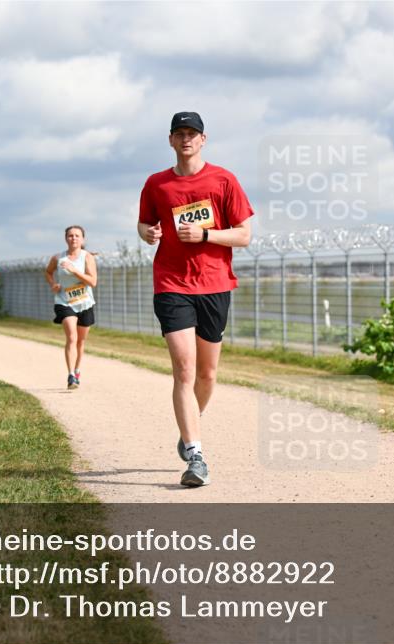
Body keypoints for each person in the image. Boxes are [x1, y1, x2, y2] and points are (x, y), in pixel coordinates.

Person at [137, 111, 253, 487]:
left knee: (207, 375)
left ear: (203, 140)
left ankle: (189, 427)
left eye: (193, 133)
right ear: (170, 140)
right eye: (179, 133)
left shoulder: (223, 180)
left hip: (215, 283)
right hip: (171, 284)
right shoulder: (157, 184)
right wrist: (147, 233)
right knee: (184, 371)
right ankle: (196, 453)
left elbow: (243, 235)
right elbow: (143, 222)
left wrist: (205, 236)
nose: (186, 139)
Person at [44, 226, 97, 389]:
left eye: (77, 236)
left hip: (85, 302)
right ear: (66, 238)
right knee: (72, 338)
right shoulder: (58, 258)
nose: (73, 238)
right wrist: (53, 284)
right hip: (64, 302)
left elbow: (93, 282)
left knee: (80, 341)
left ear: (82, 239)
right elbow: (48, 272)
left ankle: (77, 369)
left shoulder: (87, 257)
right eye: (70, 236)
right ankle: (71, 376)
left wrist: (74, 271)